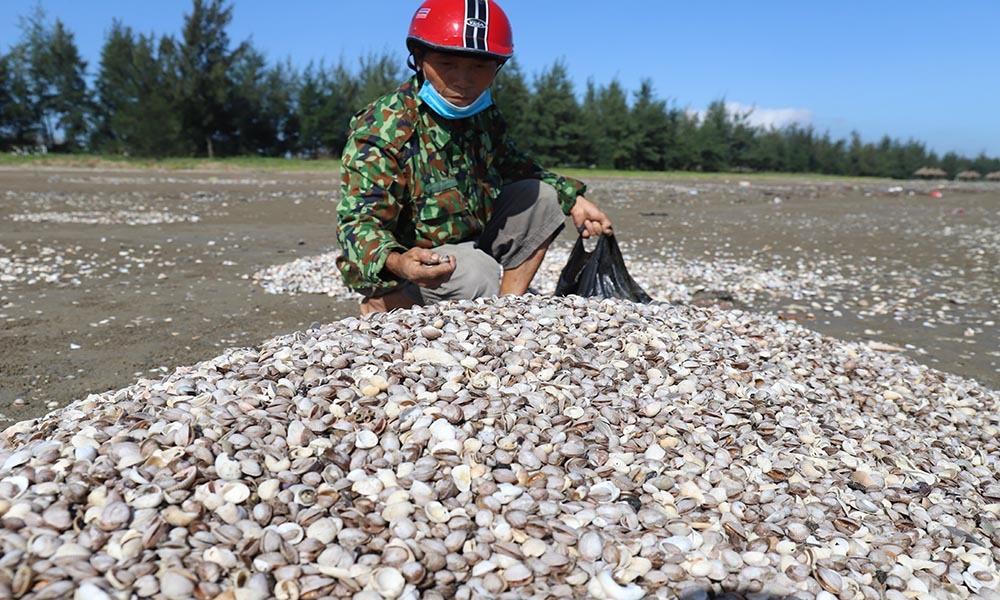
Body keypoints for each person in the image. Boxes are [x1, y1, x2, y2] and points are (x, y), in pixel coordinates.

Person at [336, 0, 613, 315]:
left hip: (468, 238)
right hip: (409, 263)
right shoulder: (385, 128)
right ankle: (387, 306)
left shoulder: (482, 114)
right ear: (419, 59)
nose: (463, 81)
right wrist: (401, 263)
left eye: (479, 67)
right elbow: (356, 226)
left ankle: (505, 314)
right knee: (477, 273)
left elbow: (515, 165)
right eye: (447, 64)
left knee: (545, 198)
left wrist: (573, 198)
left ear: (497, 67)